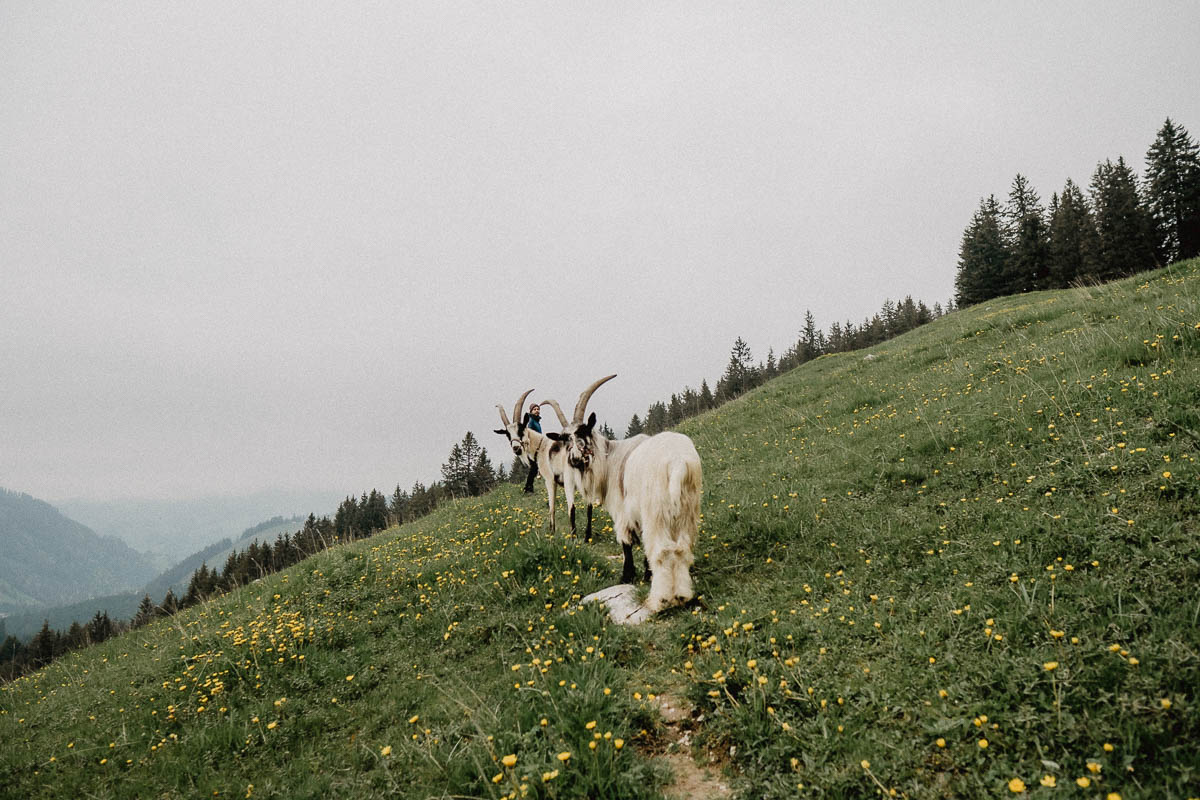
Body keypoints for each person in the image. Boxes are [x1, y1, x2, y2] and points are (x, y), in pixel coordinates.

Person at [523, 403, 542, 493]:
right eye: (534, 409)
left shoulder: (536, 421)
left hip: (537, 447)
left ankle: (529, 487)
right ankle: (528, 488)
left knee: (534, 468)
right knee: (534, 468)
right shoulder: (531, 421)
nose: (537, 410)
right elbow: (529, 434)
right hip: (533, 448)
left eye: (538, 409)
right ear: (531, 411)